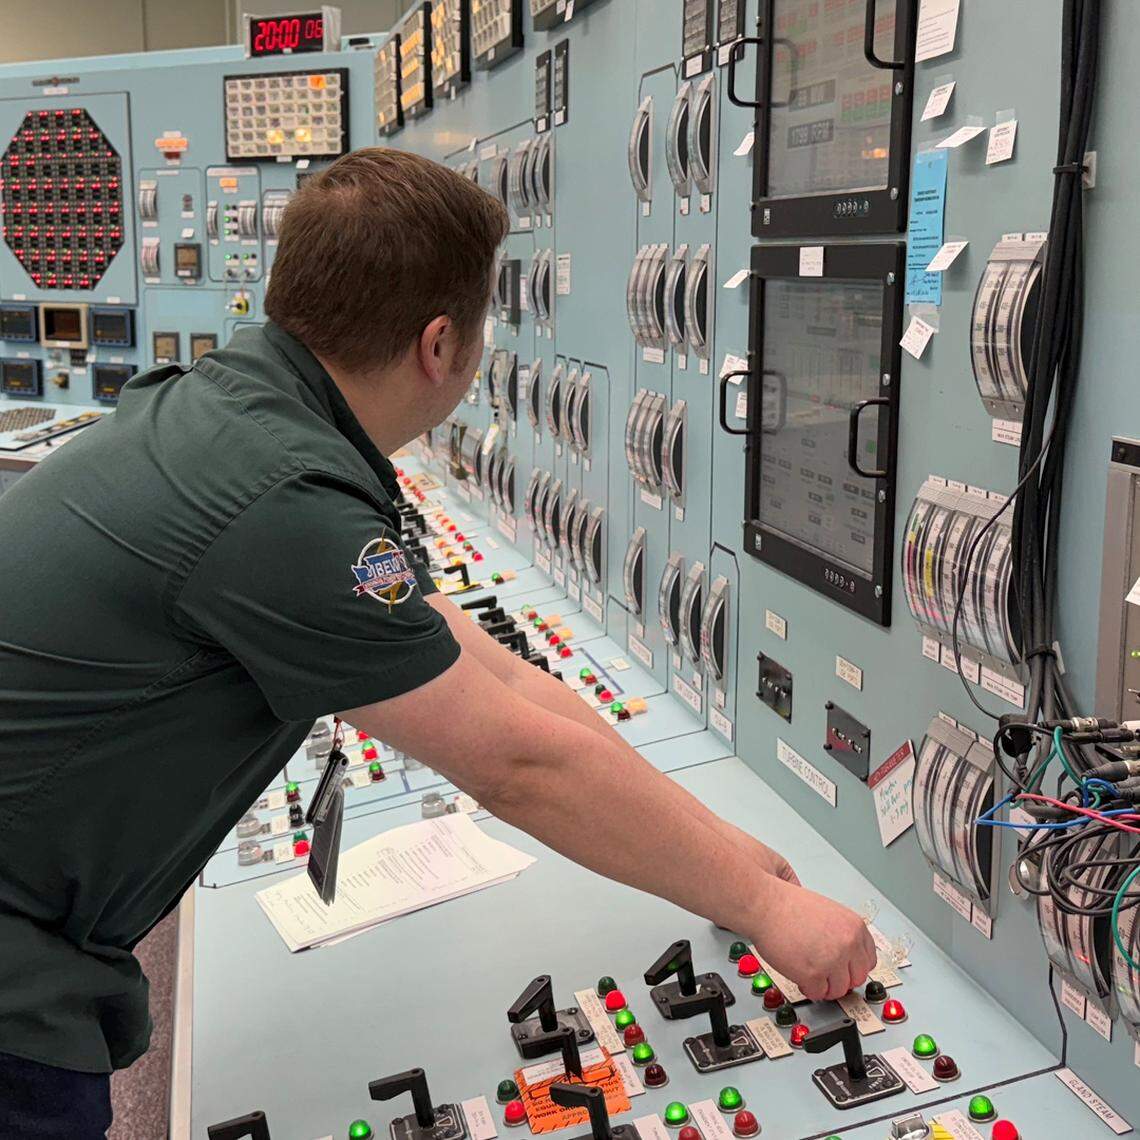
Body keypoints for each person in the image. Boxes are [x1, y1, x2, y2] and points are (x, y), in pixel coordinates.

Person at [0, 148, 876, 1137]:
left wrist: (726, 858)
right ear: (441, 343)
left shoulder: (247, 416)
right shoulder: (281, 500)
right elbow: (515, 763)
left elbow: (496, 675)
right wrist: (771, 915)